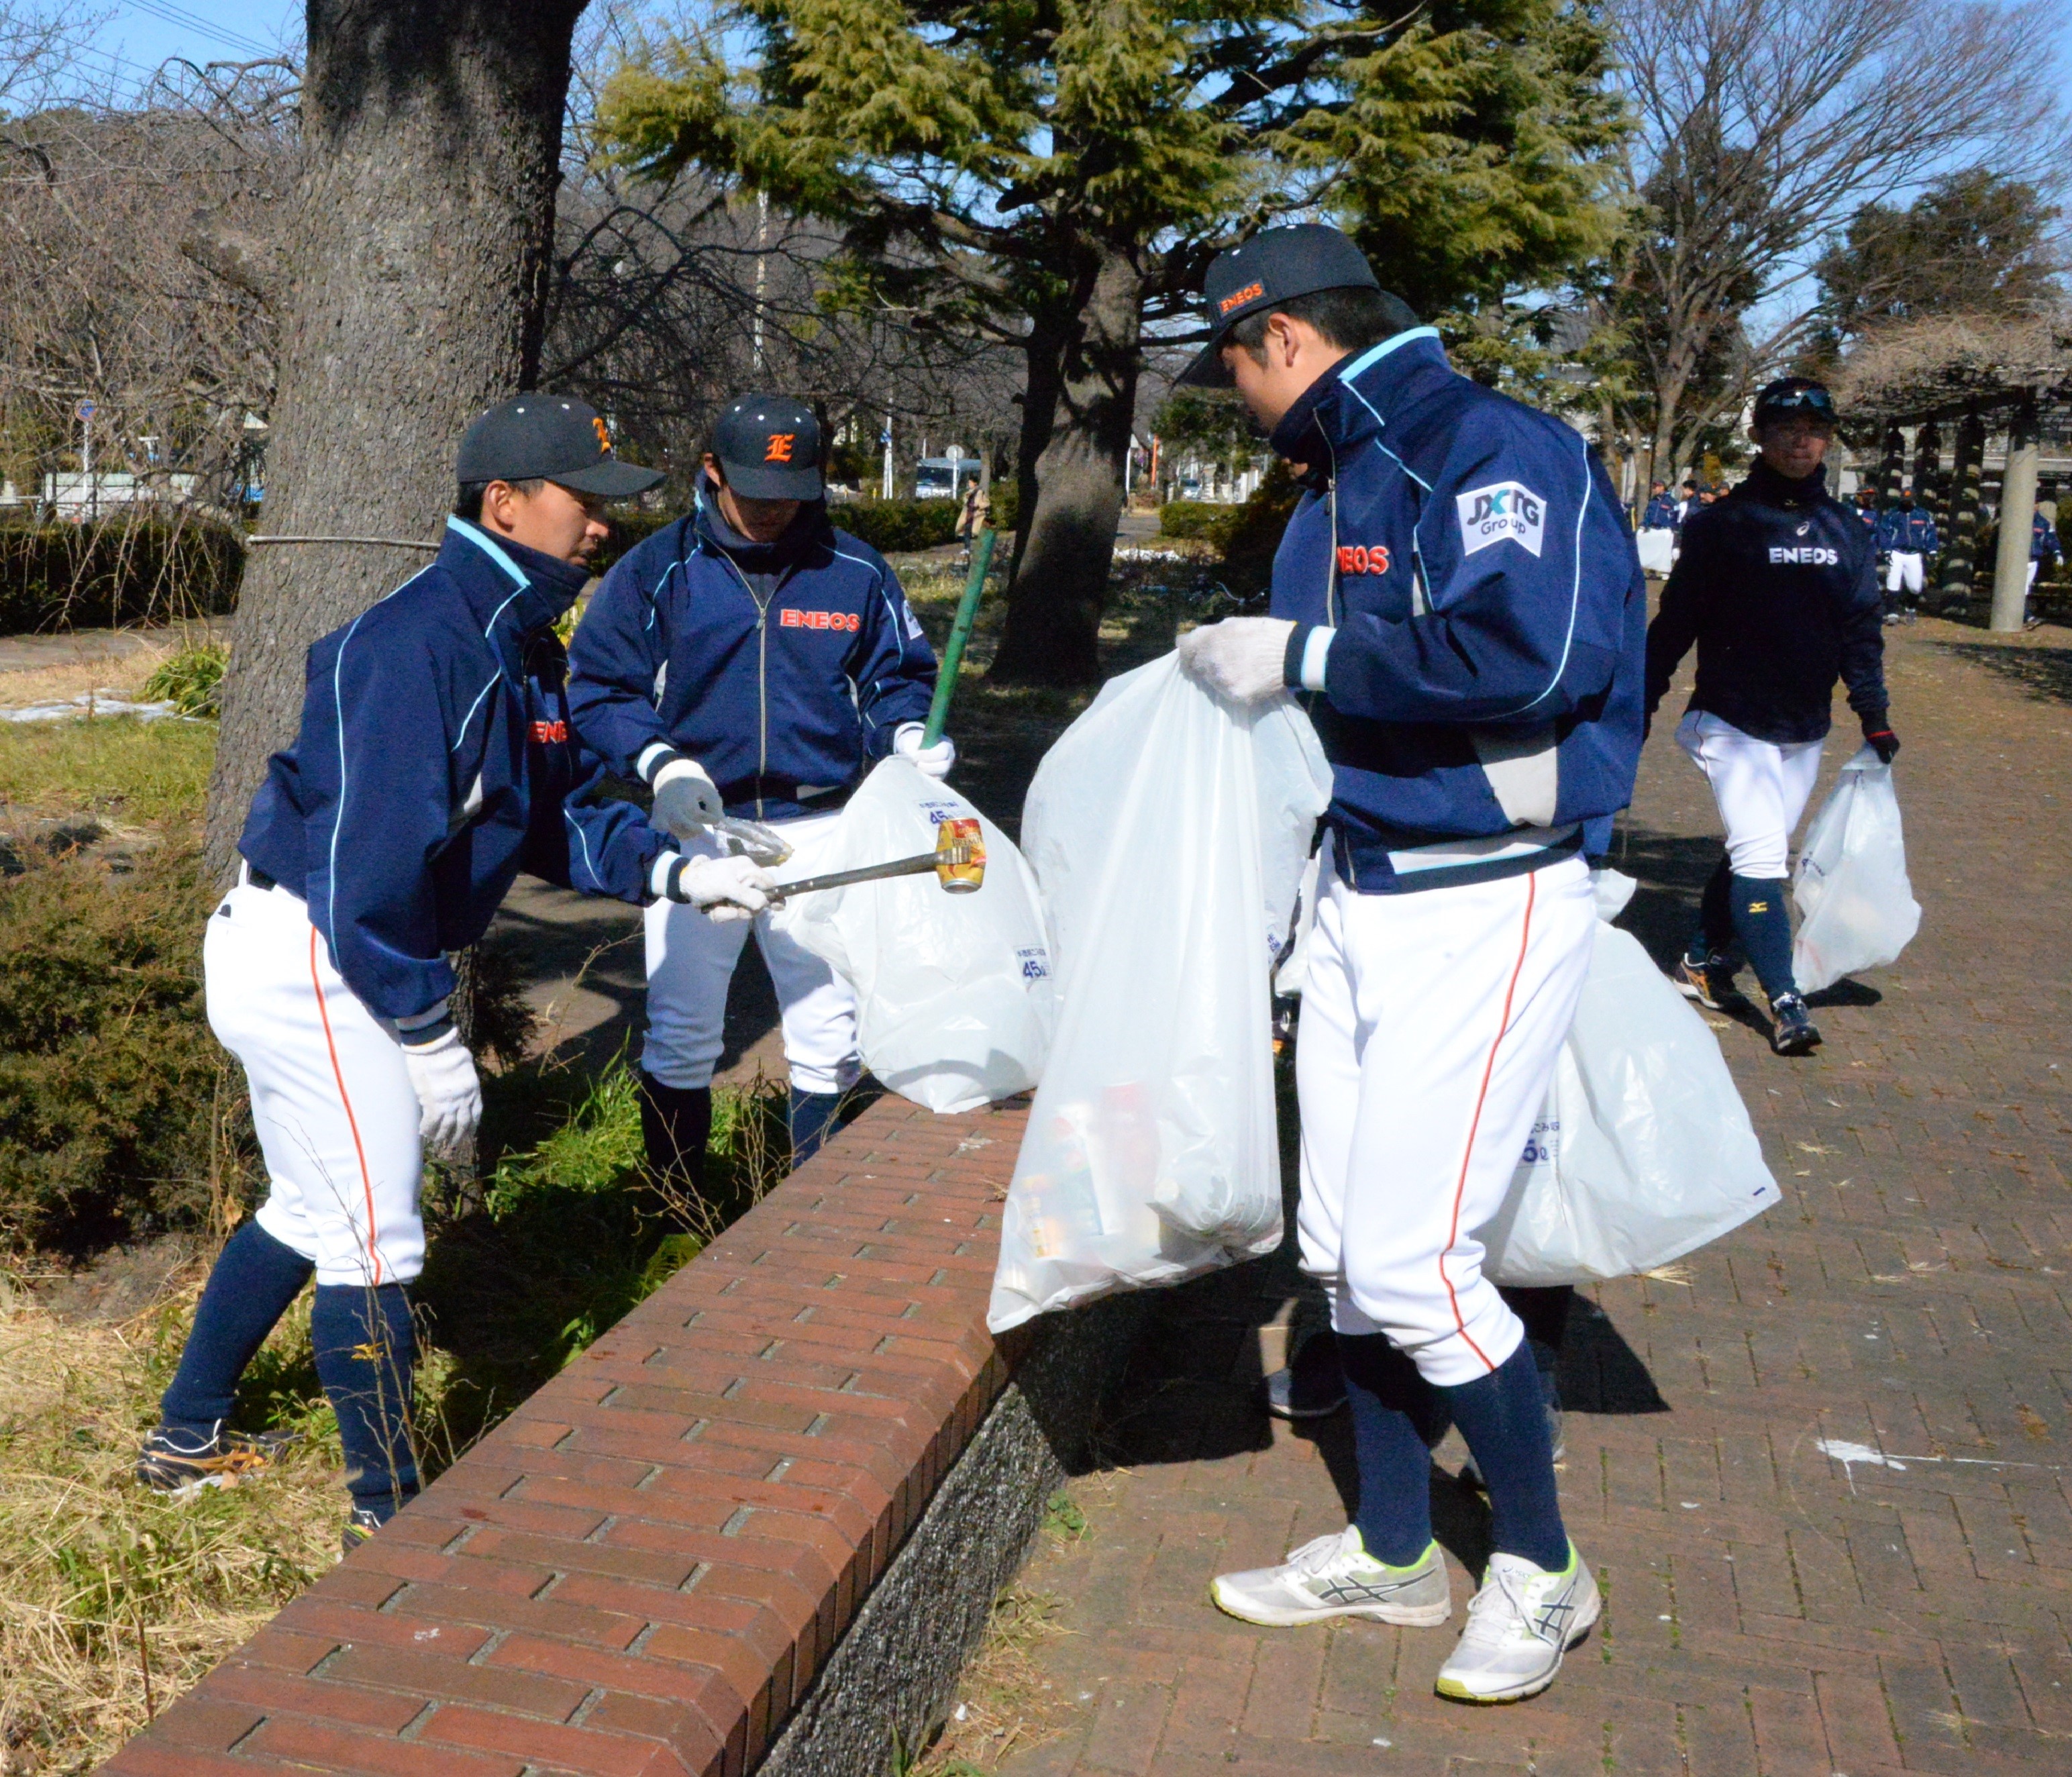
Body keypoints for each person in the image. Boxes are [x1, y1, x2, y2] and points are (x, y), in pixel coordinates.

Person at [135, 397, 774, 1549]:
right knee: (377, 1234)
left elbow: (558, 820)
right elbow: (365, 875)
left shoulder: (517, 639)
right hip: (315, 951)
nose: (603, 529)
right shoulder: (420, 640)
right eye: (588, 503)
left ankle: (185, 1437)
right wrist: (431, 1038)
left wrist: (681, 873)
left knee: (312, 1206)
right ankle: (388, 1521)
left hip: (339, 946)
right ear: (506, 504)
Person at [1171, 224, 1645, 1704]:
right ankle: (1389, 1552)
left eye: (1234, 372)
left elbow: (1531, 652)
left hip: (1485, 898)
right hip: (1362, 896)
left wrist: (1301, 661)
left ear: (1283, 345)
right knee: (1340, 1254)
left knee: (1415, 1258)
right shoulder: (1339, 481)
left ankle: (1543, 1569)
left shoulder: (1487, 445)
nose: (1236, 402)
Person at [568, 395, 947, 1188]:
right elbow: (601, 688)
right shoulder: (658, 570)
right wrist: (660, 764)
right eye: (755, 491)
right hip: (700, 824)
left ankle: (813, 1207)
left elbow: (897, 678)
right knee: (681, 1027)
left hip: (826, 821)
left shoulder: (854, 570)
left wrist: (908, 733)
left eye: (792, 491)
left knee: (828, 1028)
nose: (775, 510)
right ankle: (676, 1206)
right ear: (711, 472)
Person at [1645, 376, 1895, 1057]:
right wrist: (1641, 697)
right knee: (1762, 859)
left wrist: (1872, 714)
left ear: (1829, 439)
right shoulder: (1719, 525)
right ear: (1758, 433)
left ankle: (1699, 961)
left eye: (1814, 430)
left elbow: (1860, 630)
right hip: (1729, 722)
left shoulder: (1848, 530)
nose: (1800, 439)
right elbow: (1676, 624)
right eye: (1785, 426)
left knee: (1749, 851)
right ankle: (1785, 1001)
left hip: (1803, 727)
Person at [1875, 483, 1938, 623]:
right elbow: (1884, 532)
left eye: (1909, 501)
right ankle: (1891, 613)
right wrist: (1886, 550)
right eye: (1904, 501)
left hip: (1914, 554)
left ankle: (1910, 608)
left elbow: (1931, 533)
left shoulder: (1923, 515)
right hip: (1896, 552)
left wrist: (1932, 551)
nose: (1906, 504)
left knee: (1915, 587)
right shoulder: (1893, 514)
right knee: (1893, 583)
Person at [2026, 505, 2061, 629]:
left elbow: (2051, 538)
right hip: (2020, 560)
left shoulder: (2042, 522)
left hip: (2033, 560)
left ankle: (2028, 617)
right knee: (2021, 589)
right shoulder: (2019, 518)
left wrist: (2057, 552)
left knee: (2025, 589)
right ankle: (2028, 617)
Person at [1637, 480, 1678, 576]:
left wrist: (1671, 527)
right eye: (1653, 487)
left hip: (1664, 530)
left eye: (1656, 487)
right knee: (1651, 551)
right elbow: (1648, 516)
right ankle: (1652, 572)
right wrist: (1643, 526)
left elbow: (1675, 517)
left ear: (1662, 487)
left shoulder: (1672, 502)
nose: (1654, 489)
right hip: (1653, 528)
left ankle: (1665, 572)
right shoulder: (1653, 501)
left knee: (1664, 553)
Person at [954, 475, 992, 567]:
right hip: (968, 514)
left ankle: (979, 549)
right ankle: (967, 548)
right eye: (969, 483)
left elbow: (985, 503)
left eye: (970, 482)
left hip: (976, 516)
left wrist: (980, 505)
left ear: (975, 483)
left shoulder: (980, 492)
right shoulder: (969, 493)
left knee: (976, 532)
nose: (969, 484)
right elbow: (965, 502)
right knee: (966, 531)